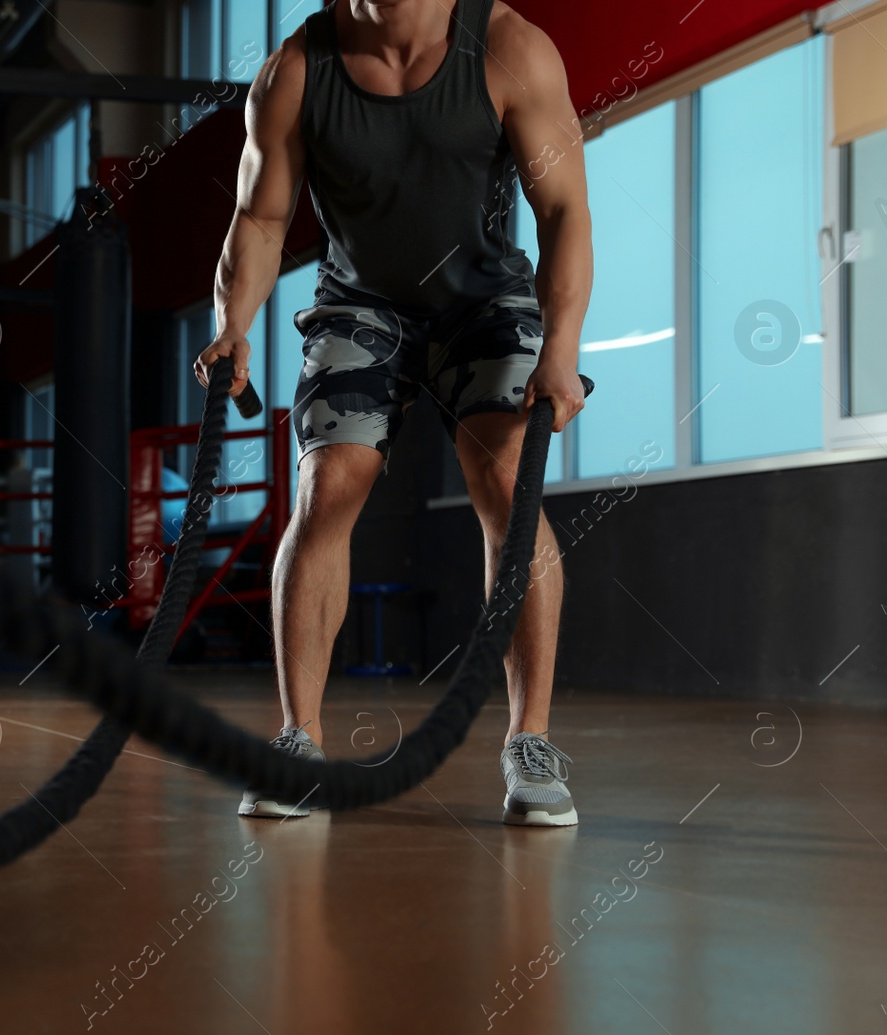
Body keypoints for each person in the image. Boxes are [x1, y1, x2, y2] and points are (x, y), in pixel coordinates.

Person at [194, 0, 591, 825]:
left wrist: (560, 349)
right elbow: (262, 216)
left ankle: (531, 741)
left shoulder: (511, 50)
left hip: (484, 302)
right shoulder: (298, 69)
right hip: (359, 305)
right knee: (329, 485)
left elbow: (562, 212)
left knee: (507, 478)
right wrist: (231, 326)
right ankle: (297, 739)